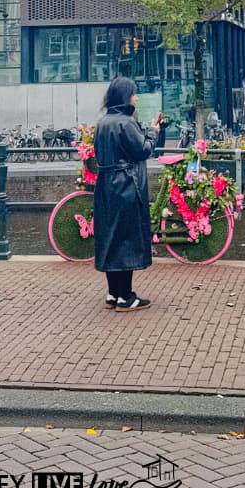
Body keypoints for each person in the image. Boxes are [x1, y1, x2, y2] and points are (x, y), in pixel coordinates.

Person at [93, 76, 160, 312]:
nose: (136, 97)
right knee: (127, 239)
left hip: (106, 185)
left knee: (111, 237)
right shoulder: (125, 122)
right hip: (126, 186)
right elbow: (142, 150)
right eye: (134, 93)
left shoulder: (103, 122)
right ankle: (126, 296)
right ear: (125, 96)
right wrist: (153, 132)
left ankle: (113, 293)